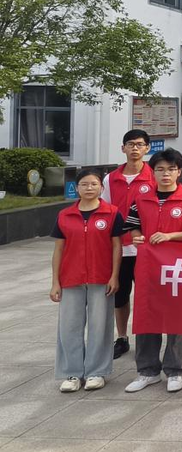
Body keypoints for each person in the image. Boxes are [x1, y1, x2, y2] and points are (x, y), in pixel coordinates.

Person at [122, 149, 182, 393]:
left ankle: (174, 370)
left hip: (179, 270)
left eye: (171, 169)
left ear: (178, 172)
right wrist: (138, 238)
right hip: (148, 269)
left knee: (176, 319)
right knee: (147, 316)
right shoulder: (140, 200)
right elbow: (133, 227)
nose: (165, 174)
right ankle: (147, 371)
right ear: (153, 172)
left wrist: (171, 235)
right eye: (160, 169)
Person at [50, 168, 123, 392]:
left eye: (94, 184)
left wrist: (114, 276)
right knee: (69, 327)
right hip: (70, 278)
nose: (89, 188)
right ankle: (72, 373)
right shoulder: (65, 215)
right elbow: (58, 250)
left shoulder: (112, 213)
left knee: (100, 326)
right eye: (84, 184)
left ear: (101, 188)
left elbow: (116, 246)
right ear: (77, 188)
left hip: (101, 278)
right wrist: (55, 282)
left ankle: (96, 372)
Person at [101, 129, 155, 360]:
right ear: (122, 148)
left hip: (147, 248)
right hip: (119, 248)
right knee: (120, 296)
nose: (135, 148)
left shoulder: (155, 176)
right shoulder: (110, 179)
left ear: (147, 148)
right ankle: (122, 338)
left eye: (140, 144)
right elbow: (105, 212)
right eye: (130, 144)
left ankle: (149, 339)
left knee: (148, 296)